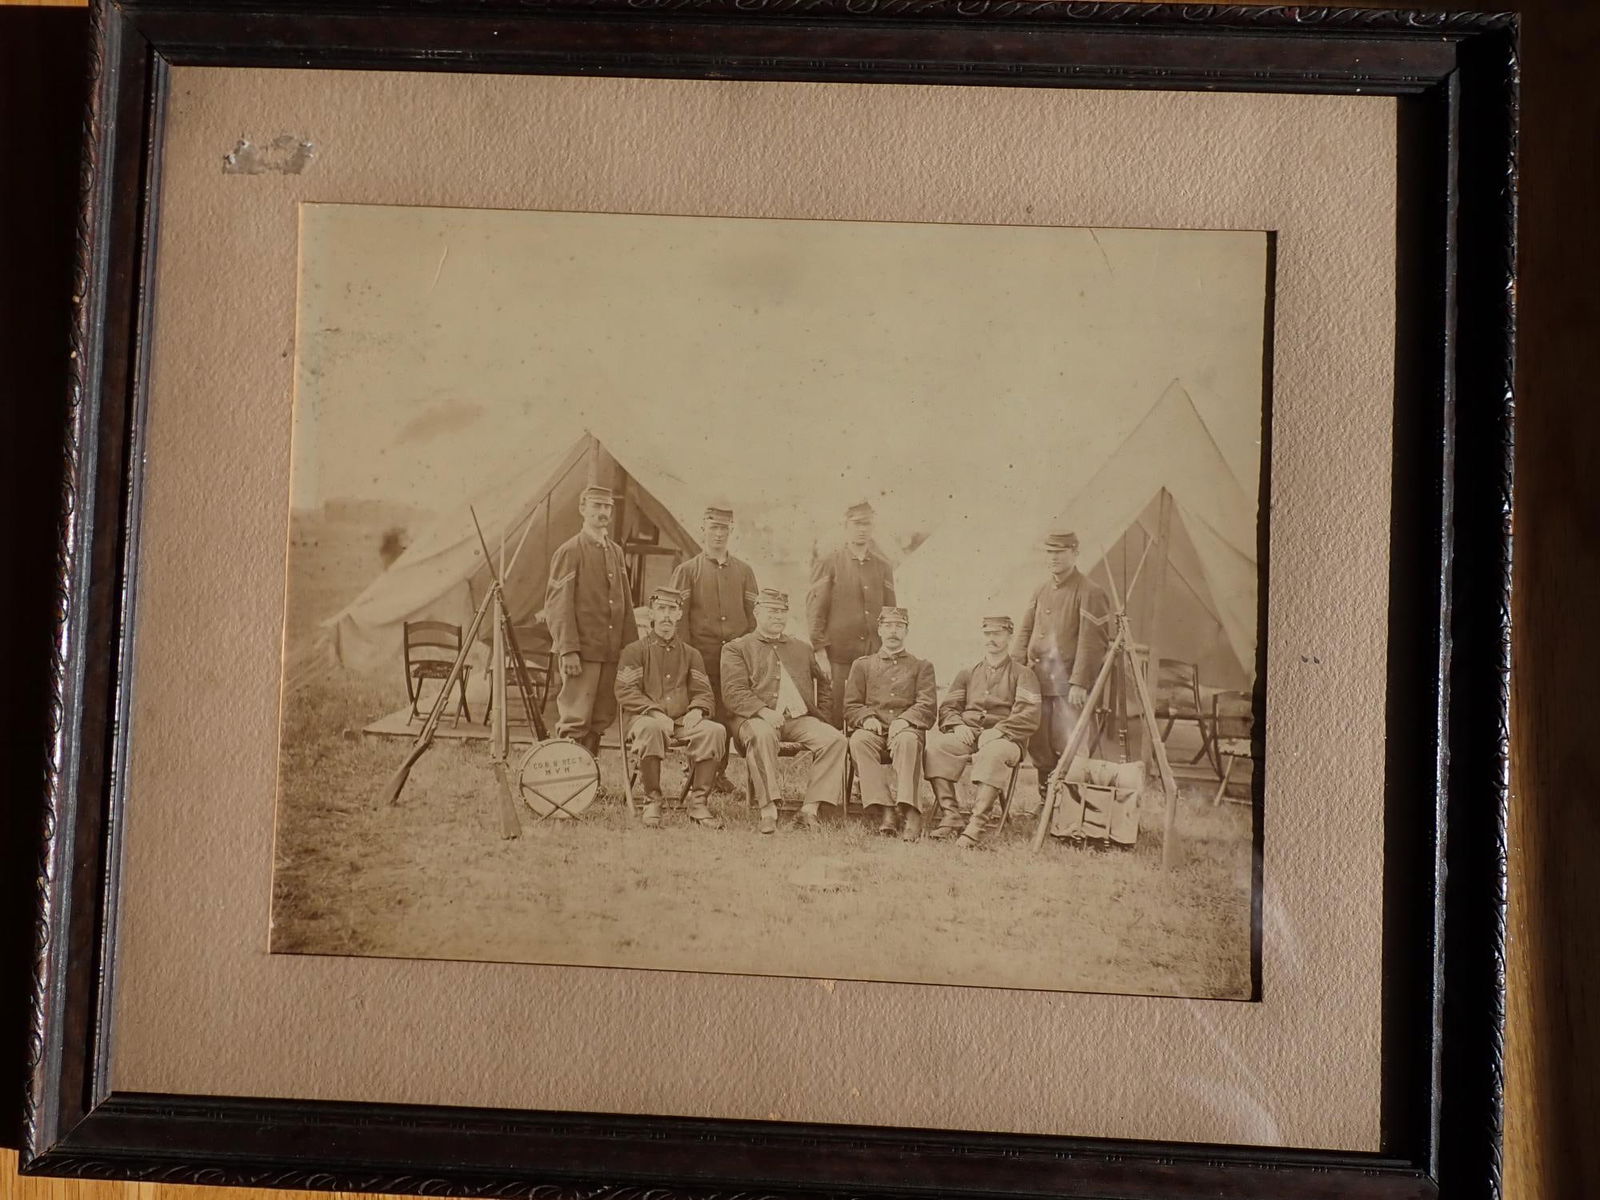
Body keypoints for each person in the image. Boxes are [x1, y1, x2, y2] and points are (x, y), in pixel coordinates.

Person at [721, 588, 848, 835]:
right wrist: (763, 712)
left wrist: (822, 716)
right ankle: (768, 810)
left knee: (835, 739)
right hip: (756, 719)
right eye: (772, 611)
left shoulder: (801, 648)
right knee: (762, 735)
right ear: (757, 612)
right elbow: (733, 692)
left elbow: (824, 684)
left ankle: (809, 810)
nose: (778, 616)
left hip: (799, 719)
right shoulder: (737, 648)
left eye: (782, 611)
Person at [923, 616, 1042, 848]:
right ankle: (951, 815)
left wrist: (1000, 730)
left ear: (1009, 636)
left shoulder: (1023, 673)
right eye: (987, 634)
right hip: (970, 735)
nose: (992, 639)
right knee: (935, 748)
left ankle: (976, 824)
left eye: (998, 634)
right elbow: (948, 708)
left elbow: (1029, 715)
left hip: (1008, 740)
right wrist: (958, 725)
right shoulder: (968, 673)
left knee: (993, 752)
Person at [614, 587, 727, 830]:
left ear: (679, 615)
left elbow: (704, 692)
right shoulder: (635, 651)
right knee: (651, 729)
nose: (666, 615)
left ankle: (698, 802)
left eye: (672, 610)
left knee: (714, 731)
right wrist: (654, 712)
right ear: (652, 614)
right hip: (644, 719)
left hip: (681, 722)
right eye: (661, 609)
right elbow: (625, 691)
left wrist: (697, 710)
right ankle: (652, 799)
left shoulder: (691, 654)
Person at [670, 504, 758, 791]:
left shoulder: (744, 571)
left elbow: (754, 617)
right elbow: (678, 619)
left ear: (731, 530)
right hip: (701, 659)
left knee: (727, 713)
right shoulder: (687, 571)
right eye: (713, 527)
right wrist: (686, 659)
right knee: (702, 712)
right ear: (703, 529)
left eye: (724, 528)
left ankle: (718, 772)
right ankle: (694, 770)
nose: (718, 534)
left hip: (733, 660)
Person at [545, 484, 638, 756]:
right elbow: (557, 605)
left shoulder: (616, 552)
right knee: (576, 718)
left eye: (607, 506)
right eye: (596, 506)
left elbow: (626, 605)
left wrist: (630, 650)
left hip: (610, 652)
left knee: (600, 717)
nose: (602, 512)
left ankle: (588, 776)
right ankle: (567, 780)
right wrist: (568, 649)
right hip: (582, 652)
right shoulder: (570, 551)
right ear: (582, 509)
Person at [1013, 531, 1111, 781]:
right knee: (1039, 743)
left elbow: (1093, 643)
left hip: (1068, 684)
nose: (1054, 557)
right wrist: (1015, 671)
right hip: (1037, 681)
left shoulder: (1090, 591)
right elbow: (1025, 631)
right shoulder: (1040, 590)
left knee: (1071, 743)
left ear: (1075, 554)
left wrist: (1080, 682)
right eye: (1050, 552)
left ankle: (1069, 805)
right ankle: (1046, 800)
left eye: (1060, 552)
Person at [843, 607, 937, 841]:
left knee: (907, 741)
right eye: (888, 626)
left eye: (899, 626)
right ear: (879, 630)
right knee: (859, 740)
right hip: (874, 731)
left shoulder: (921, 666)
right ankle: (886, 809)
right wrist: (867, 718)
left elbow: (927, 706)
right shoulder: (863, 665)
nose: (893, 631)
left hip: (905, 731)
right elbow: (851, 705)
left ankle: (911, 810)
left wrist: (905, 720)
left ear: (906, 631)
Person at [807, 500, 896, 728]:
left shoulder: (883, 566)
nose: (862, 529)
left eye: (866, 524)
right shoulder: (829, 562)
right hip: (839, 656)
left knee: (868, 716)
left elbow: (891, 611)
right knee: (836, 715)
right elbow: (815, 609)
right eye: (856, 523)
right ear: (845, 526)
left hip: (872, 655)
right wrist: (820, 651)